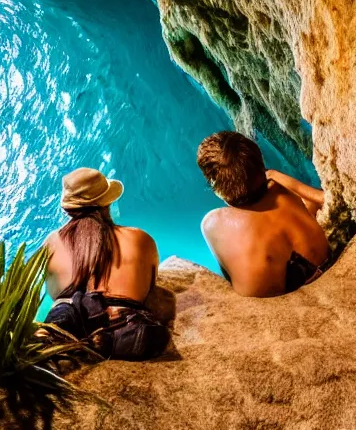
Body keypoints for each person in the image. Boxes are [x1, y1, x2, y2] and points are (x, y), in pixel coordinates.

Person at [42, 167, 170, 360]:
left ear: (68, 210)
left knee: (63, 306)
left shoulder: (50, 244)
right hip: (128, 329)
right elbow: (148, 285)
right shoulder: (140, 238)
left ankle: (66, 321)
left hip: (70, 326)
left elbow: (53, 293)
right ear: (106, 203)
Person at [197, 131, 330, 297]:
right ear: (261, 167)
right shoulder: (282, 189)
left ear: (215, 185)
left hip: (277, 299)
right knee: (308, 203)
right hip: (320, 265)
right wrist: (274, 175)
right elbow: (322, 197)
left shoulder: (213, 223)